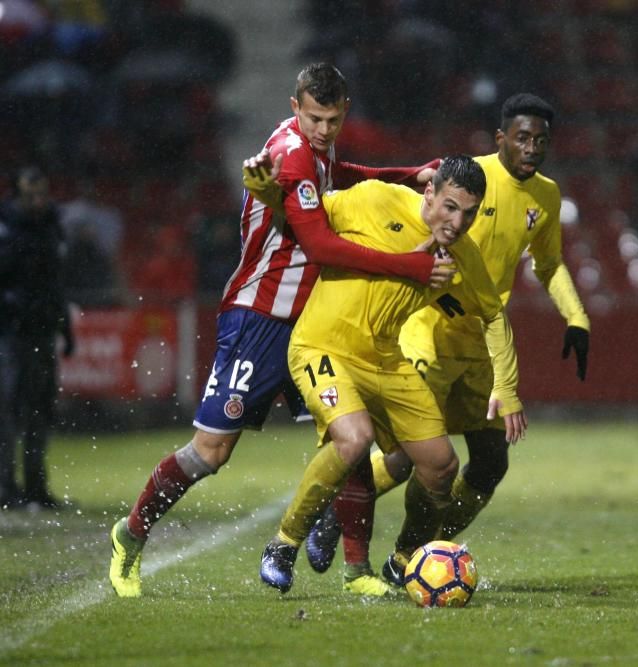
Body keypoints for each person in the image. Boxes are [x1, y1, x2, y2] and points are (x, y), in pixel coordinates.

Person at [108, 63, 452, 598]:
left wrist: (407, 175)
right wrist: (413, 264)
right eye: (315, 118)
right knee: (209, 453)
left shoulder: (317, 147)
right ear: (295, 108)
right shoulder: (289, 156)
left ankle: (356, 571)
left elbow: (338, 178)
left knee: (351, 440)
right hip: (260, 316)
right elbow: (319, 245)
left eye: (333, 120)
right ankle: (130, 535)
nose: (324, 130)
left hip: (312, 320)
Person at [297, 93, 590, 594]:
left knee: (491, 462)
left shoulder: (546, 196)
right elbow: (406, 210)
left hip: (479, 343)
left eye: (541, 139)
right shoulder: (466, 178)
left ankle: (423, 554)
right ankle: (341, 510)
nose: (531, 147)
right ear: (501, 138)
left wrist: (576, 316)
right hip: (426, 331)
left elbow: (549, 264)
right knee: (411, 454)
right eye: (522, 137)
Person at [257, 155, 528, 594]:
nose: (458, 222)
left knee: (441, 466)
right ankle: (283, 543)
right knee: (354, 437)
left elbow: (493, 315)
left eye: (469, 213)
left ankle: (405, 559)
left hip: (387, 359)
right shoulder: (373, 199)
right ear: (430, 193)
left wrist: (507, 387)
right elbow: (302, 219)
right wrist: (267, 191)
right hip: (324, 346)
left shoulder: (463, 253)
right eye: (450, 207)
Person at [0, 166, 76, 511]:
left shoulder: (50, 228)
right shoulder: (7, 230)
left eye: (41, 193)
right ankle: (5, 488)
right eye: (30, 194)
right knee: (9, 412)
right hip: (10, 334)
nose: (38, 201)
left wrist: (66, 329)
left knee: (40, 411)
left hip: (41, 332)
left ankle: (35, 487)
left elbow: (56, 285)